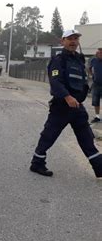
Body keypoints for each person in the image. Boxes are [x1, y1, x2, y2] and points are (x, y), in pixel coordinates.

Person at [30, 29, 102, 178]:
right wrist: (67, 97)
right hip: (62, 106)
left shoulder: (79, 59)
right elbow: (55, 82)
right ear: (62, 41)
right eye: (70, 38)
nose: (73, 41)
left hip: (77, 107)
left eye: (76, 38)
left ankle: (99, 167)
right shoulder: (58, 60)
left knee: (87, 138)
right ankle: (37, 163)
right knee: (49, 135)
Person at [89, 47, 102, 123]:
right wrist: (92, 75)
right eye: (99, 52)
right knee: (95, 101)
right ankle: (97, 117)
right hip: (96, 84)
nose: (100, 53)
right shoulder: (94, 60)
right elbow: (90, 68)